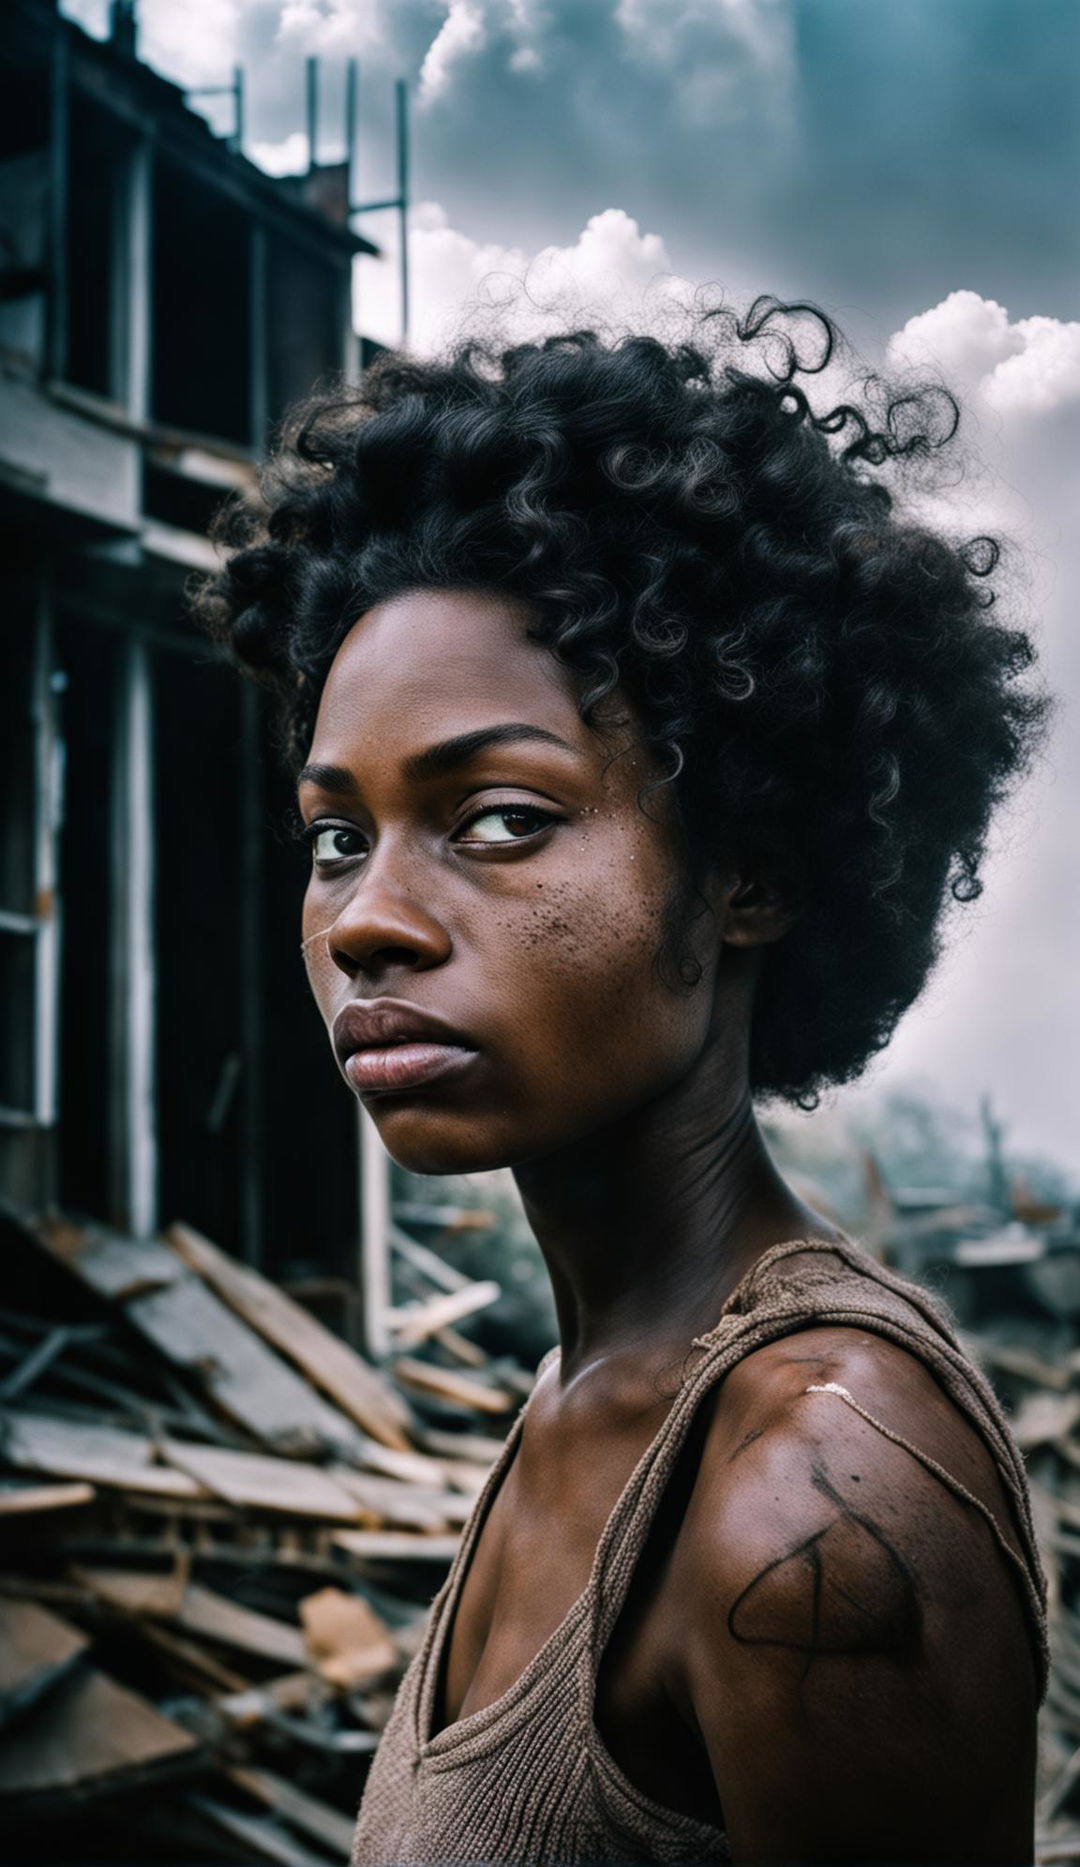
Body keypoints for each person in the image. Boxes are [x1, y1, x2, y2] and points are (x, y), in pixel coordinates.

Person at [198, 299, 1048, 1866]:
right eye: (338, 835)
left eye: (501, 817)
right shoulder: (589, 1387)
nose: (369, 917)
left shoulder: (806, 1497)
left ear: (753, 872)